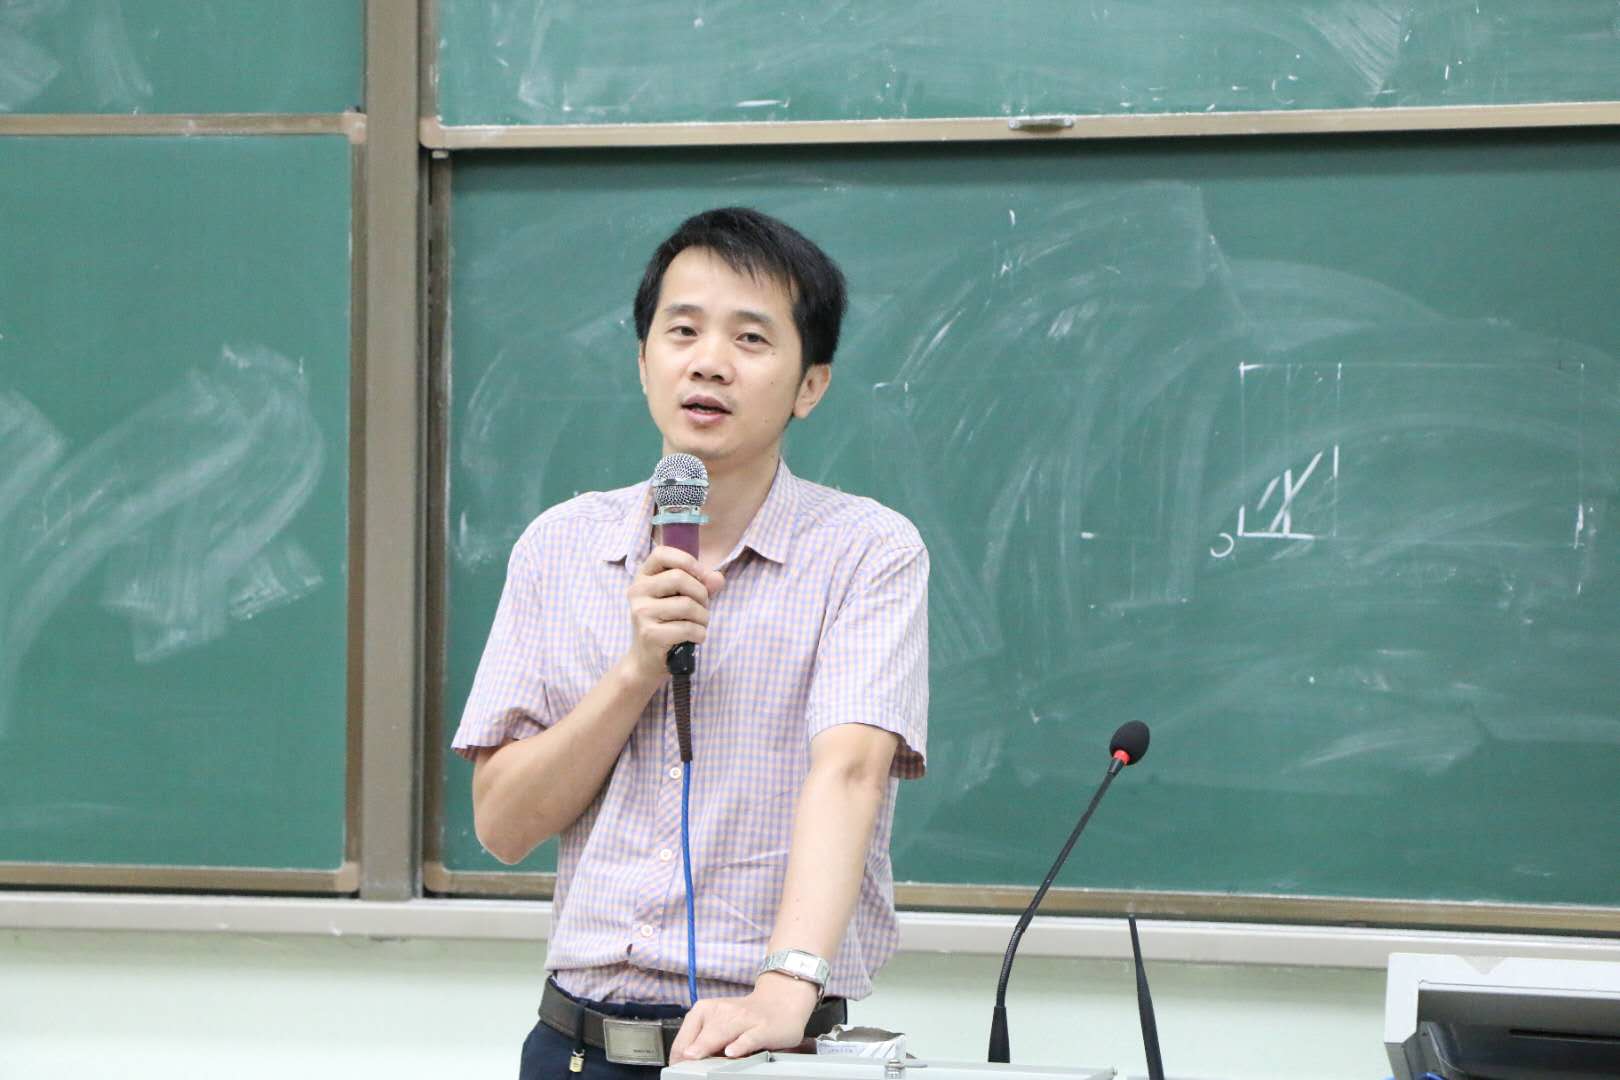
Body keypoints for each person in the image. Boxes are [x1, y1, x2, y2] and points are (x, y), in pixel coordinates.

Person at [453, 207, 929, 1077]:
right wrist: (637, 668)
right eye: (682, 331)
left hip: (762, 1043)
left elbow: (851, 772)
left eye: (751, 338)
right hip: (574, 1048)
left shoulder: (866, 551)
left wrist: (786, 987)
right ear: (643, 361)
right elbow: (503, 826)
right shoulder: (559, 547)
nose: (709, 361)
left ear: (810, 385)